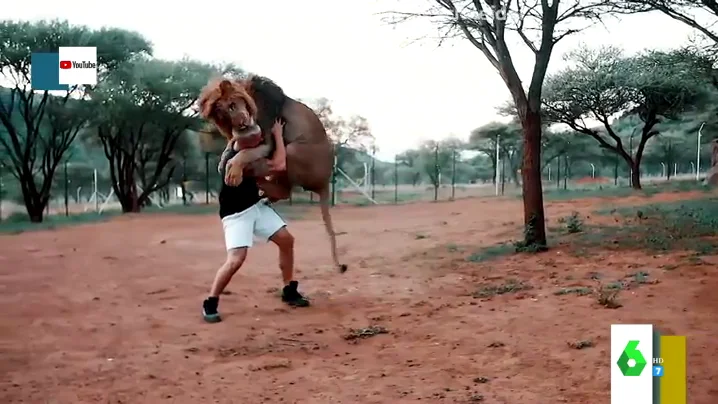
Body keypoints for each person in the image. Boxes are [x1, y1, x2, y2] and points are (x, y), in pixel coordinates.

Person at [202, 127, 308, 324]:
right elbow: (278, 164)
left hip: (255, 206)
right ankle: (211, 301)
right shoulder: (235, 162)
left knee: (286, 240)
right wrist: (277, 134)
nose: (261, 139)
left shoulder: (242, 151)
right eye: (258, 138)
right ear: (247, 145)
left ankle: (288, 289)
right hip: (237, 215)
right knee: (236, 259)